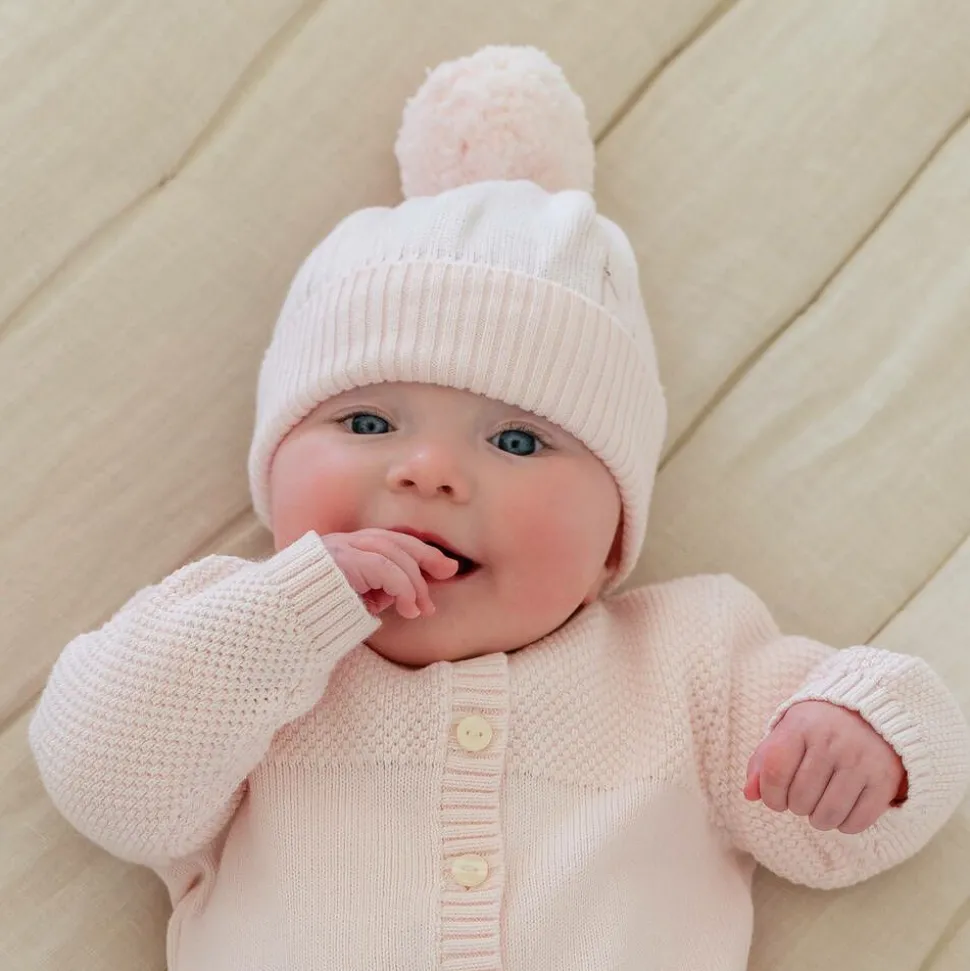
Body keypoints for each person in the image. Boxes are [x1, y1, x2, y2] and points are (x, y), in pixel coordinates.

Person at [29, 45, 970, 971]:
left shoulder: (690, 661)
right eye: (365, 419)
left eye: (518, 441)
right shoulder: (234, 647)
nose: (429, 472)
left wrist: (869, 739)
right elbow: (101, 778)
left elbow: (840, 840)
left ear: (614, 539)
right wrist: (289, 612)